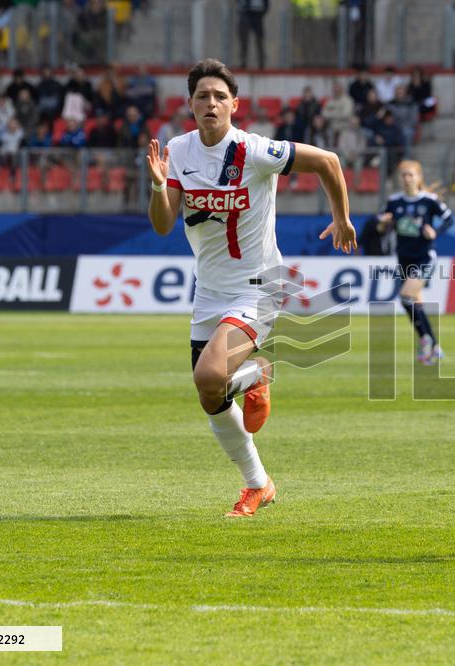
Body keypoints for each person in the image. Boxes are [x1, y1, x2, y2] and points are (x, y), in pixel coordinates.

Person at [145, 59, 356, 518]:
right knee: (210, 396)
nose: (211, 103)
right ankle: (258, 484)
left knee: (208, 377)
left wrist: (340, 217)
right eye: (202, 95)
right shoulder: (178, 153)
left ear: (235, 106)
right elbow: (163, 225)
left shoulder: (255, 150)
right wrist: (160, 187)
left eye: (220, 96)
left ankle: (258, 374)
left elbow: (328, 161)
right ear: (190, 104)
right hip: (209, 292)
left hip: (258, 287)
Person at [376, 160, 453, 365]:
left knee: (406, 297)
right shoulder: (393, 202)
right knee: (415, 303)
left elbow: (449, 219)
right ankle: (435, 347)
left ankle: (426, 340)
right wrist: (383, 224)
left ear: (419, 178)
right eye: (403, 175)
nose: (407, 179)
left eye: (411, 175)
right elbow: (380, 228)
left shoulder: (429, 200)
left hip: (424, 257)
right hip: (404, 258)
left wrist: (435, 231)